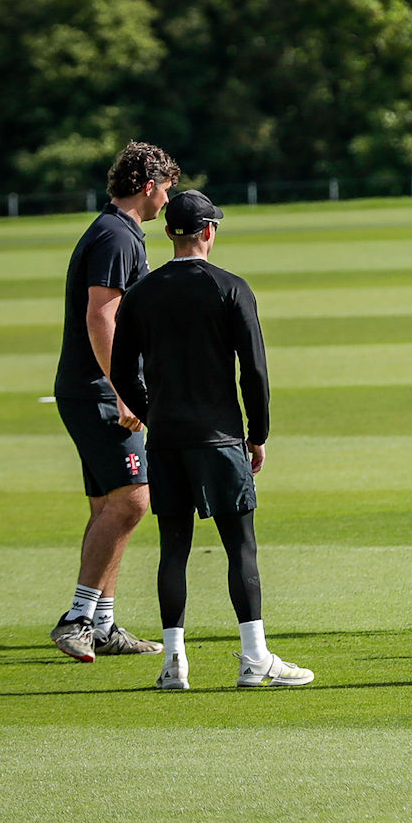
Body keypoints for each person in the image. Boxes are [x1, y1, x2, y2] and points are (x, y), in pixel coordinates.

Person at [110, 190, 313, 689]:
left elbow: (122, 370)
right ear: (208, 231)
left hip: (166, 441)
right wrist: (257, 434)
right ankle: (255, 658)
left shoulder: (141, 293)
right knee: (240, 548)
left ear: (169, 233)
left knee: (173, 549)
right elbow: (254, 371)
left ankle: (174, 664)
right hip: (220, 438)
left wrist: (153, 415)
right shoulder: (231, 287)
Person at [49, 141, 179, 663]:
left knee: (109, 504)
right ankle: (78, 619)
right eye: (165, 189)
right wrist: (125, 391)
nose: (166, 200)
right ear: (148, 186)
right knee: (133, 499)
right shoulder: (116, 236)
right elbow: (101, 315)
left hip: (90, 388)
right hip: (99, 391)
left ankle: (102, 623)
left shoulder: (115, 231)